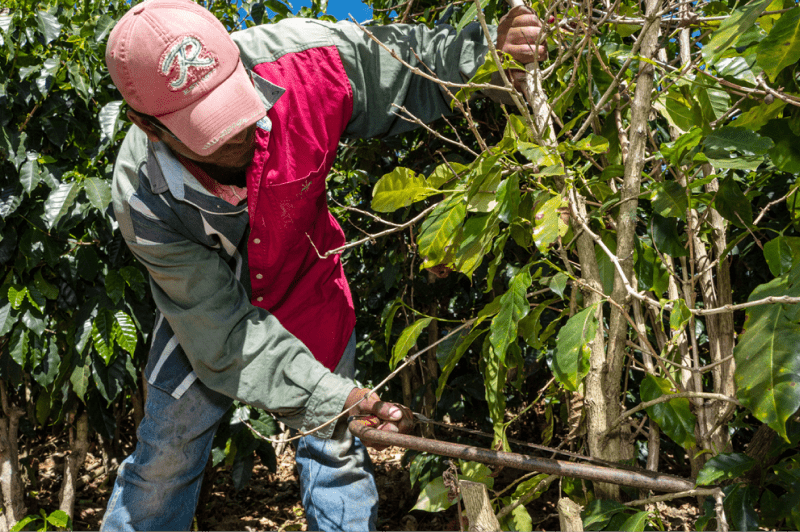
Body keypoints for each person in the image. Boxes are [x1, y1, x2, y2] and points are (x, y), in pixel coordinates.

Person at [100, 0, 546, 530]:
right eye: (212, 131)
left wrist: (488, 56)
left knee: (337, 447)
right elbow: (220, 333)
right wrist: (327, 395)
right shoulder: (142, 195)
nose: (240, 135)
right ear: (149, 127)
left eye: (235, 105)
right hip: (211, 313)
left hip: (306, 277)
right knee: (165, 458)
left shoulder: (311, 62)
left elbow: (409, 64)